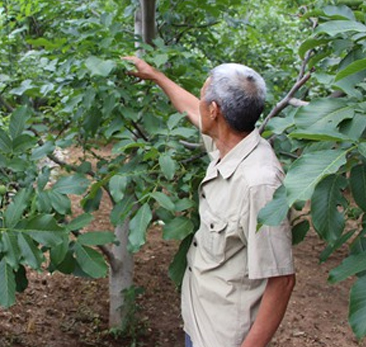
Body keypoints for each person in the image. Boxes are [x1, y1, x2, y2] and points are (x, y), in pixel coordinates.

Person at [123, 56, 295, 347]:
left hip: (223, 337)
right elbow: (192, 107)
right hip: (200, 320)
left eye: (204, 97)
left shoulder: (259, 185)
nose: (199, 103)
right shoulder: (228, 143)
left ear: (214, 111)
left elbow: (282, 282)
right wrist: (156, 76)